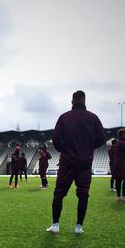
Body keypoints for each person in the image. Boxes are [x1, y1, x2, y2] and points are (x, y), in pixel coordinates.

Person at [46, 90, 105, 234]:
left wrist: (65, 150)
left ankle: (55, 225)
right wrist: (88, 148)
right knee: (83, 194)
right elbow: (102, 138)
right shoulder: (93, 118)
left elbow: (55, 139)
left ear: (72, 101)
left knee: (59, 193)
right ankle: (79, 227)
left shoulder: (64, 118)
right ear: (85, 101)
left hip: (68, 161)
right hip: (85, 162)